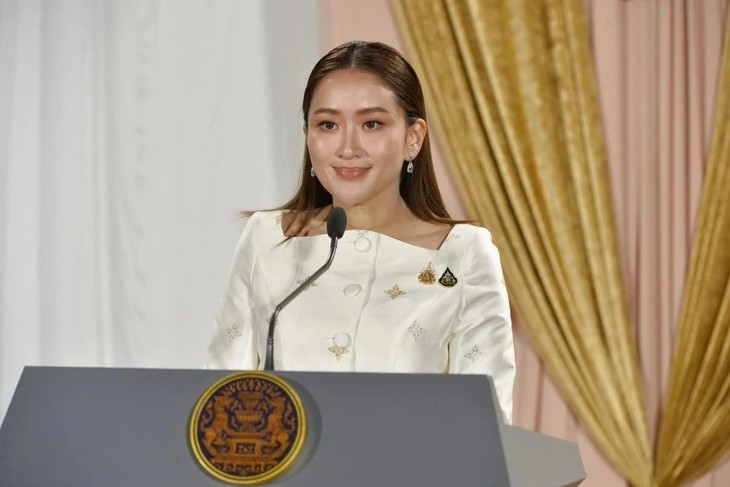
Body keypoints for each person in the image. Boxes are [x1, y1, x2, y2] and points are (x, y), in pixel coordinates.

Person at [206, 41, 515, 423]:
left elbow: (487, 425)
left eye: (371, 124)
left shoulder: (464, 253)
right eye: (328, 125)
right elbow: (218, 403)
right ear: (308, 136)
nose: (348, 147)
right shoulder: (267, 239)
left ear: (413, 138)